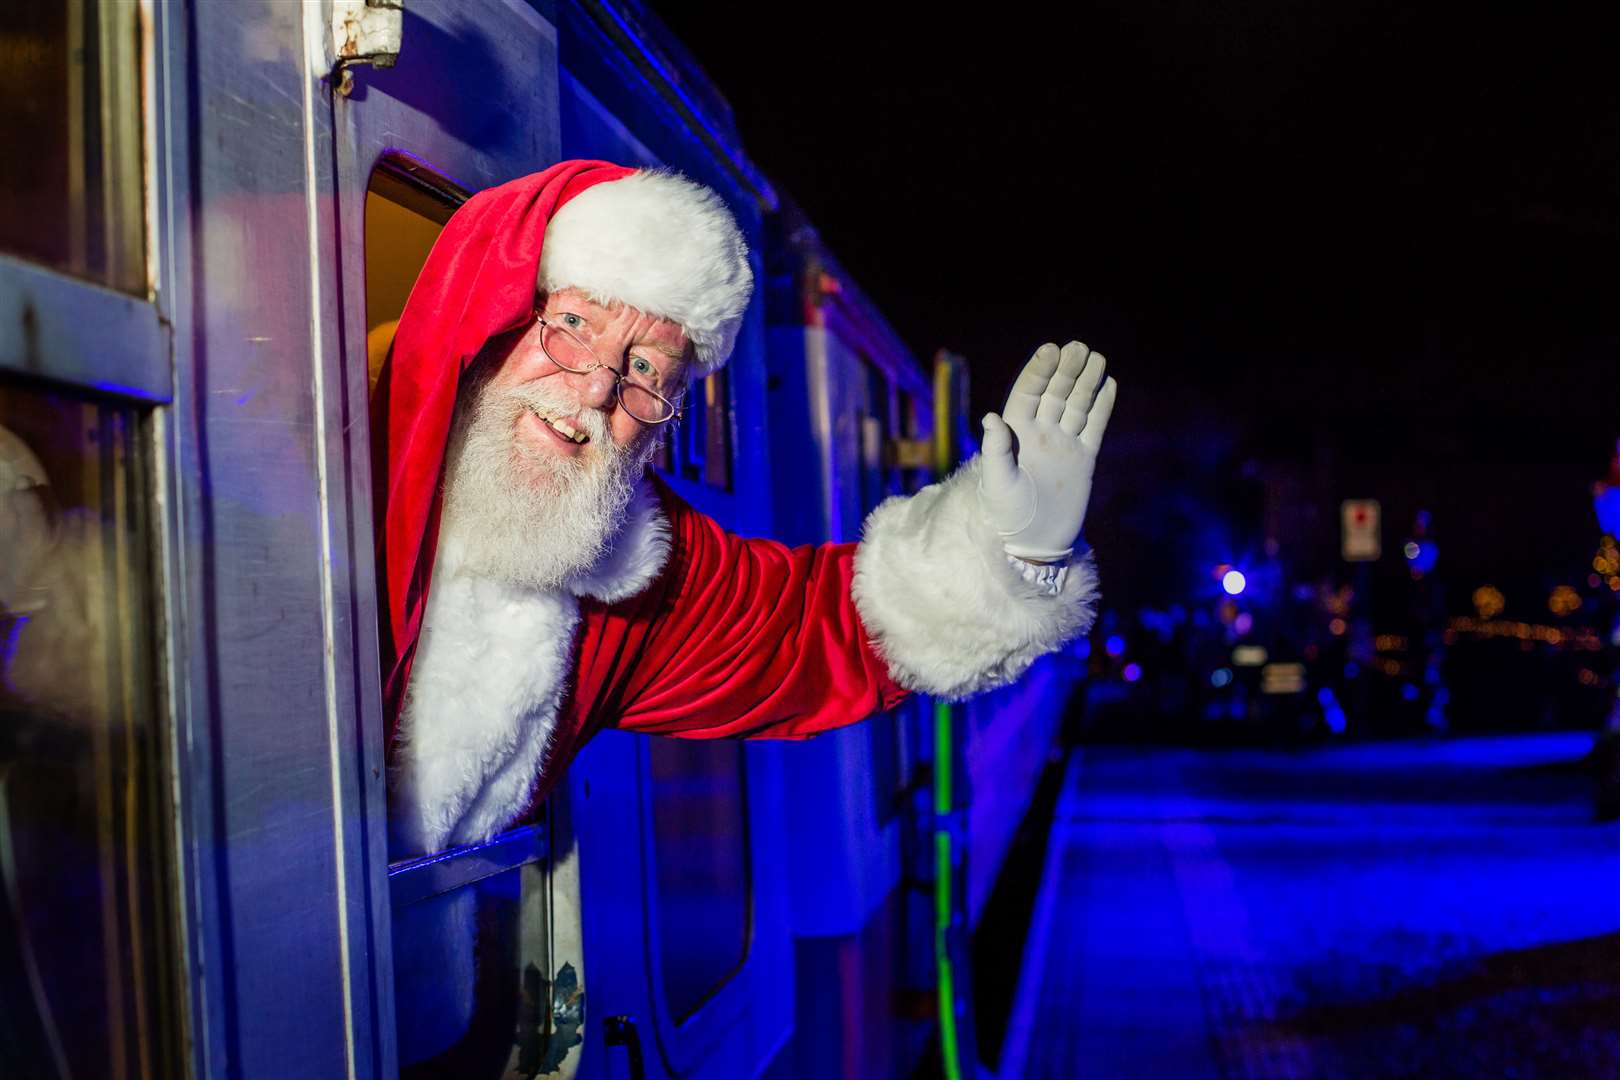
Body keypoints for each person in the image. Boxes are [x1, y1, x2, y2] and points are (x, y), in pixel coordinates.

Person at [375, 160, 1117, 857]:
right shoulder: (299, 449)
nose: (599, 388)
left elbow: (816, 628)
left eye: (645, 369)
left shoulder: (621, 561)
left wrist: (1012, 550)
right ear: (494, 315)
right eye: (574, 324)